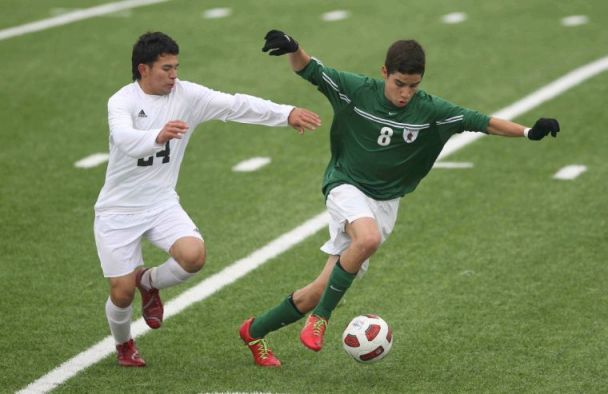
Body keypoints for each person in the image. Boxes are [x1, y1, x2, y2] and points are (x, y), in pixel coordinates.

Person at [239, 30, 560, 367]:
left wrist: (528, 132)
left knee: (319, 288)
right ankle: (320, 320)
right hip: (345, 185)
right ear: (384, 73)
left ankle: (254, 331)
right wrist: (294, 48)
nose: (406, 93)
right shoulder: (357, 90)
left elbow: (480, 121)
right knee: (368, 239)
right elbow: (312, 70)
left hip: (385, 204)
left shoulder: (431, 110)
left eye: (413, 86)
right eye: (399, 84)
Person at [94, 31, 321, 367]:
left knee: (193, 256)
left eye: (176, 67)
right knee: (121, 293)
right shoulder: (122, 101)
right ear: (143, 69)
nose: (174, 75)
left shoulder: (186, 95)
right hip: (117, 210)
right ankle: (124, 343)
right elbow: (126, 140)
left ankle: (150, 282)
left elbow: (235, 104)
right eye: (166, 68)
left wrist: (285, 113)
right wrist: (157, 136)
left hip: (160, 203)